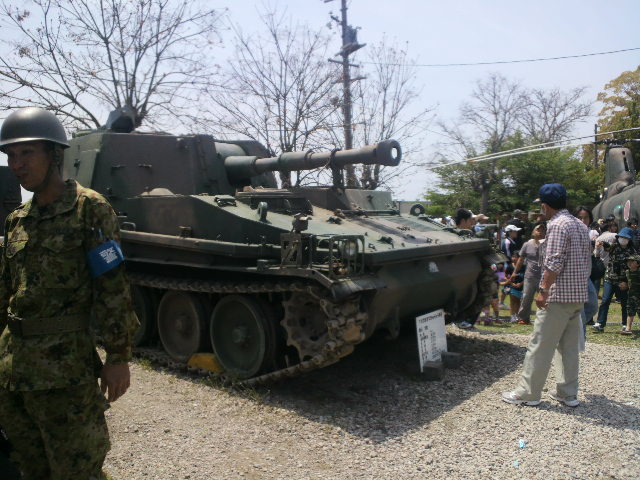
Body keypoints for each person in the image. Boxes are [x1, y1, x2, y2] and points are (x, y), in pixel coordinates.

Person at [0, 107, 139, 478]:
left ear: (54, 154)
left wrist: (118, 355)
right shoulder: (17, 220)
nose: (16, 164)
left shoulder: (89, 209)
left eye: (26, 153)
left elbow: (112, 286)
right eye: (11, 155)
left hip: (63, 373)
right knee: (29, 468)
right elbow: (6, 292)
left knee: (77, 468)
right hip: (14, 370)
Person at [502, 183, 590, 407]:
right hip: (577, 295)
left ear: (544, 205)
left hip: (557, 296)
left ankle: (528, 393)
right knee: (568, 348)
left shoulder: (557, 225)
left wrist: (543, 290)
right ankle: (567, 393)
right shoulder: (580, 225)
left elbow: (554, 262)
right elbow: (586, 260)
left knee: (540, 344)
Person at [592, 227, 637, 333]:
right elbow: (607, 247)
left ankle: (625, 324)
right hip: (610, 279)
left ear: (629, 239)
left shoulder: (632, 252)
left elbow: (633, 268)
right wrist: (602, 243)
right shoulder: (614, 246)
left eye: (625, 237)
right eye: (621, 237)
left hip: (623, 281)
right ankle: (600, 323)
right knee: (605, 301)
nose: (623, 239)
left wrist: (627, 282)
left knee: (624, 303)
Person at [513, 222, 546, 325]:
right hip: (530, 276)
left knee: (545, 298)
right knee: (526, 297)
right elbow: (520, 259)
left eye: (542, 230)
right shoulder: (527, 244)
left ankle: (545, 319)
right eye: (538, 230)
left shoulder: (547, 244)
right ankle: (523, 318)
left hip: (544, 277)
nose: (540, 232)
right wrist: (515, 272)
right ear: (533, 232)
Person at [622, 254, 640, 335]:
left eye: (632, 261)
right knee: (630, 311)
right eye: (628, 261)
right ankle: (628, 328)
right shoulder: (627, 272)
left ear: (638, 264)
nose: (629, 263)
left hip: (639, 296)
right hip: (631, 295)